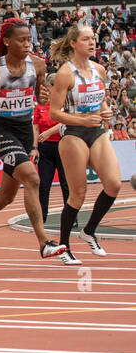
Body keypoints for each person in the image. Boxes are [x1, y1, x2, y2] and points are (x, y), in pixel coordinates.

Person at [0, 19, 67, 259]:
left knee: (6, 197)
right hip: (2, 131)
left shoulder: (37, 65)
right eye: (21, 40)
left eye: (29, 39)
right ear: (7, 41)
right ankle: (43, 243)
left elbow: (40, 99)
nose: (27, 44)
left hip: (25, 131)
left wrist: (42, 95)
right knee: (31, 178)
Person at [49, 24, 120, 263]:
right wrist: (82, 119)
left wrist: (105, 111)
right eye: (87, 39)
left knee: (113, 184)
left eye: (94, 39)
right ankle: (64, 246)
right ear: (73, 44)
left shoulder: (99, 69)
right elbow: (54, 113)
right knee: (78, 193)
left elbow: (100, 99)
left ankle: (89, 231)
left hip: (96, 131)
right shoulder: (65, 74)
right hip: (73, 134)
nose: (92, 43)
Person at [34, 80, 69, 223]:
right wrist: (35, 148)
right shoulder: (40, 107)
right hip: (45, 149)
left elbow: (65, 121)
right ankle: (42, 217)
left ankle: (70, 217)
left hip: (62, 146)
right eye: (47, 87)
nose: (48, 90)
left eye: (51, 87)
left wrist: (49, 132)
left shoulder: (63, 104)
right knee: (44, 184)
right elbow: (35, 127)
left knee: (66, 183)